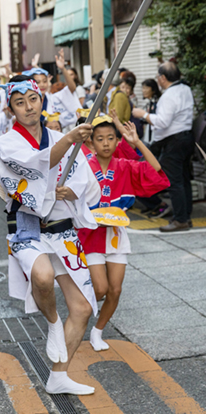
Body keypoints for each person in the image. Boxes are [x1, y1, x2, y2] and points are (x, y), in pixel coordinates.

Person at [0, 75, 101, 395]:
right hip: (27, 226)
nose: (28, 107)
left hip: (62, 230)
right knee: (41, 276)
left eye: (33, 100)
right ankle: (53, 323)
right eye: (19, 102)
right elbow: (37, 167)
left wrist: (73, 191)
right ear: (11, 108)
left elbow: (88, 183)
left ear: (42, 100)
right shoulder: (8, 143)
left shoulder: (59, 136)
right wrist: (68, 139)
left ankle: (58, 376)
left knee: (82, 309)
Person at [78, 118, 169, 351]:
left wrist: (137, 142)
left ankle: (97, 332)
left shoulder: (125, 166)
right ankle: (76, 317)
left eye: (110, 138)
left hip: (116, 233)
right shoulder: (83, 166)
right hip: (90, 233)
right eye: (100, 139)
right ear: (91, 142)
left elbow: (157, 172)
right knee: (100, 289)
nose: (105, 144)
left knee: (115, 290)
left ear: (118, 141)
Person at [132, 62, 194, 231]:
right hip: (186, 138)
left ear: (163, 78)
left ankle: (180, 219)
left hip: (173, 141)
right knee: (183, 180)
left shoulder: (169, 95)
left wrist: (142, 114)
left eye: (159, 76)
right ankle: (186, 217)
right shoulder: (185, 89)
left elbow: (163, 122)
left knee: (174, 182)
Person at [52, 50, 84, 129]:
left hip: (75, 125)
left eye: (71, 75)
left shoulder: (70, 91)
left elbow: (72, 87)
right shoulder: (48, 97)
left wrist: (63, 69)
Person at [141, 78, 162, 143]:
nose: (144, 90)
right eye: (143, 88)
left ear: (153, 89)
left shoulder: (157, 102)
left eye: (146, 88)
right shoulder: (149, 102)